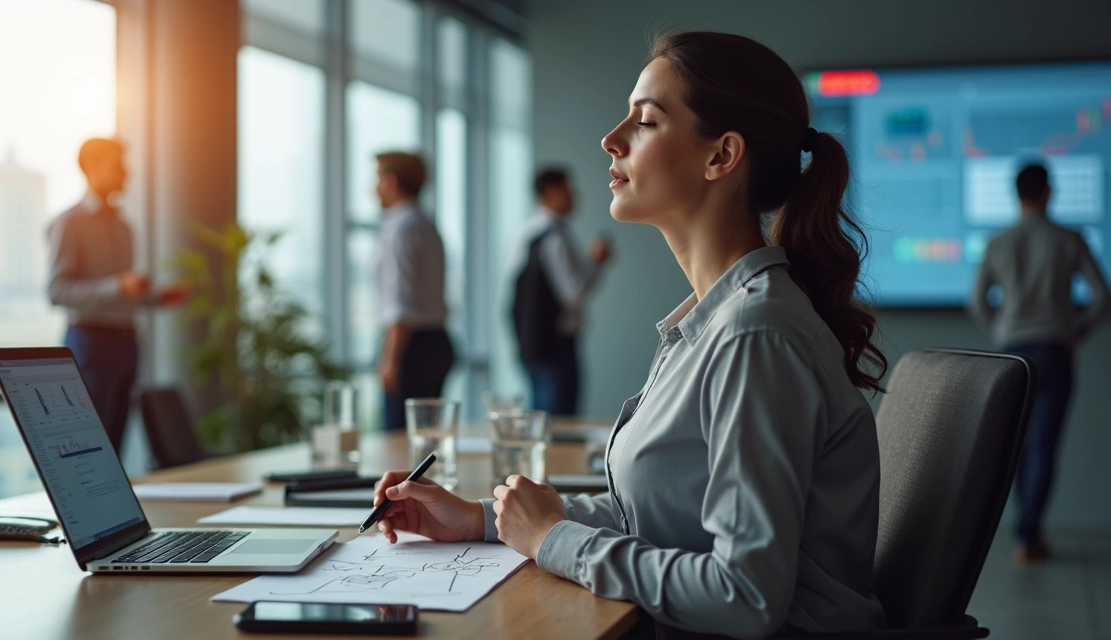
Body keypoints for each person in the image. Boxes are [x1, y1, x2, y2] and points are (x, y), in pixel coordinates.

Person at [369, 32, 889, 638]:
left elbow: (745, 597)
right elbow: (659, 515)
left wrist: (553, 539)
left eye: (644, 121)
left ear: (720, 156)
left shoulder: (754, 334)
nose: (610, 139)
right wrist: (483, 520)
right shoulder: (717, 319)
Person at [969, 163, 1110, 564]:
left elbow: (978, 302)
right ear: (1049, 192)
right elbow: (1102, 296)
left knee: (1015, 446)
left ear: (1017, 194)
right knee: (1043, 447)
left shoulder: (998, 242)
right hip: (1054, 351)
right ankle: (1028, 536)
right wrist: (1075, 333)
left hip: (1012, 351)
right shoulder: (1070, 238)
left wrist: (1002, 332)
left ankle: (1024, 531)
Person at [47, 138, 187, 453]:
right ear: (92, 167)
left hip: (127, 343)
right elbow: (56, 291)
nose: (126, 172)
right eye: (117, 165)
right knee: (91, 446)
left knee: (116, 442)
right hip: (91, 343)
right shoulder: (70, 222)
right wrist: (117, 285)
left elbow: (123, 294)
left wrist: (157, 297)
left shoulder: (124, 227)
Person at [511, 168, 612, 415]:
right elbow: (573, 294)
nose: (574, 196)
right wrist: (596, 264)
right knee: (559, 422)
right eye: (568, 190)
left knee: (540, 416)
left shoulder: (525, 233)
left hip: (531, 340)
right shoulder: (555, 238)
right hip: (557, 343)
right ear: (552, 192)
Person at [373, 151, 455, 432]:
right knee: (425, 436)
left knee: (399, 438)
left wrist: (390, 359)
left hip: (410, 347)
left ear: (392, 181)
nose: (373, 188)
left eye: (377, 178)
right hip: (436, 341)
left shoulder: (401, 228)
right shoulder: (426, 224)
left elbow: (400, 302)